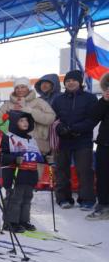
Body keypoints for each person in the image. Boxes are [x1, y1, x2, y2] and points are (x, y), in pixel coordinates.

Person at [51, 70, 98, 210]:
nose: (71, 82)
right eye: (68, 80)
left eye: (74, 80)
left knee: (84, 170)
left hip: (82, 140)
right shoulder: (58, 99)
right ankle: (63, 198)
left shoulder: (90, 98)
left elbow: (92, 119)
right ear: (64, 83)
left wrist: (74, 128)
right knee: (61, 170)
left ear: (80, 82)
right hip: (63, 140)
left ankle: (87, 199)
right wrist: (60, 128)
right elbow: (53, 118)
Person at [0, 111, 43, 232]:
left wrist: (45, 158)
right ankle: (10, 222)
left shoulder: (31, 139)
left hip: (29, 174)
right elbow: (1, 156)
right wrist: (14, 158)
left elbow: (36, 155)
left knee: (27, 198)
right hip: (15, 174)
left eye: (26, 120)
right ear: (14, 123)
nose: (25, 123)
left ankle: (23, 220)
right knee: (15, 198)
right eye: (21, 120)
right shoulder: (8, 137)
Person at [0, 77, 56, 158]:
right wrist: (11, 115)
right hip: (14, 145)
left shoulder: (39, 102)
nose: (20, 90)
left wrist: (31, 111)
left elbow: (51, 118)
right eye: (17, 87)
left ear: (28, 88)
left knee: (36, 169)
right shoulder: (7, 105)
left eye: (23, 87)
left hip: (37, 145)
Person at [87, 72, 109, 220]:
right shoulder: (104, 101)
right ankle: (103, 205)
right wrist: (104, 101)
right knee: (103, 176)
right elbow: (93, 117)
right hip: (104, 144)